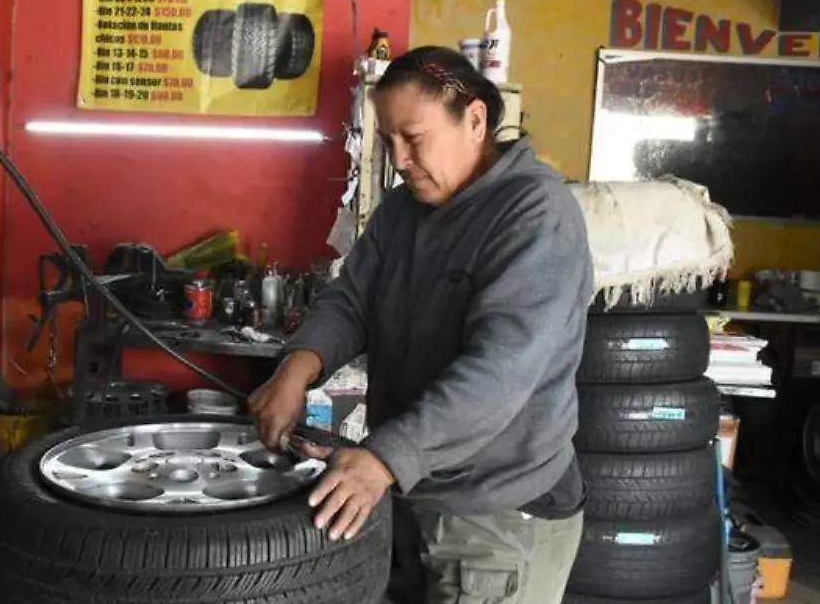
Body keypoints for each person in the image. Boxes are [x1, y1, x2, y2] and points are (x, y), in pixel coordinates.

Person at [249, 45, 593, 604]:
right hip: (414, 490)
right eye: (388, 141)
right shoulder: (402, 209)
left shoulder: (535, 214)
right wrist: (297, 368)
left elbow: (500, 371)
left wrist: (384, 458)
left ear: (475, 120)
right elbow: (351, 301)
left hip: (497, 514)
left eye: (414, 137)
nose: (401, 159)